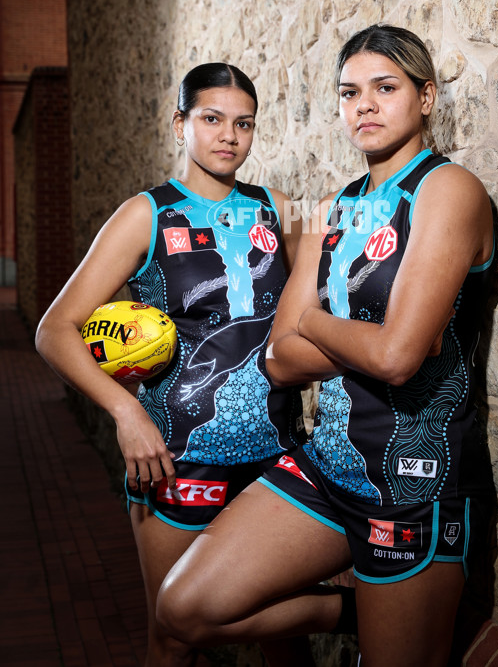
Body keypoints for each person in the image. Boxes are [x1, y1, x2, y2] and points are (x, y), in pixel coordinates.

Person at [156, 25, 496, 667]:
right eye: (349, 92)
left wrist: (315, 325)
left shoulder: (449, 191)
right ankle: (356, 614)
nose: (363, 105)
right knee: (182, 607)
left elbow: (397, 359)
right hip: (325, 466)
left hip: (410, 484)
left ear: (425, 98)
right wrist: (363, 339)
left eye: (385, 87)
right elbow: (278, 359)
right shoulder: (330, 210)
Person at [35, 62, 310, 667]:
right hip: (175, 458)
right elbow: (55, 330)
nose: (228, 137)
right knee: (174, 635)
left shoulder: (279, 209)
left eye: (244, 124)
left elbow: (343, 246)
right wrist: (124, 411)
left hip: (277, 457)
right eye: (211, 119)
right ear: (180, 123)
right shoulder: (146, 214)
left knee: (284, 642)